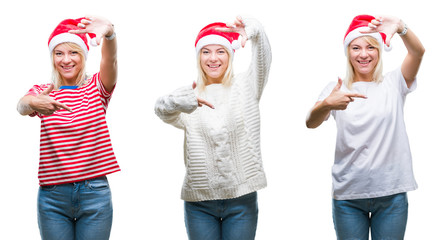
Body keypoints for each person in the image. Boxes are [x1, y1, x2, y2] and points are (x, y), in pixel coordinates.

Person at [306, 15, 424, 239]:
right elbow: (310, 122)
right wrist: (326, 105)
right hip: (348, 197)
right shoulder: (336, 88)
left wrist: (401, 28)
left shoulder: (394, 82)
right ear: (348, 52)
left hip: (391, 194)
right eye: (356, 47)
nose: (363, 54)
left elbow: (418, 53)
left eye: (370, 47)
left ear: (379, 51)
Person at [155, 16, 271, 240]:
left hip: (241, 199)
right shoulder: (190, 94)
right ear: (198, 57)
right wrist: (183, 102)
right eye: (206, 51)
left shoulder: (246, 86)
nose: (213, 58)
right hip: (199, 203)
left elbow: (264, 57)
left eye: (221, 51)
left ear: (230, 55)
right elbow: (161, 109)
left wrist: (253, 30)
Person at [17, 16, 119, 240]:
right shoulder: (44, 91)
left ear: (83, 55)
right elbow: (22, 105)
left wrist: (110, 35)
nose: (66, 60)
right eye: (59, 53)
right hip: (53, 197)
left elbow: (110, 62)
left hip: (95, 193)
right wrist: (32, 102)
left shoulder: (96, 87)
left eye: (73, 52)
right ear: (52, 57)